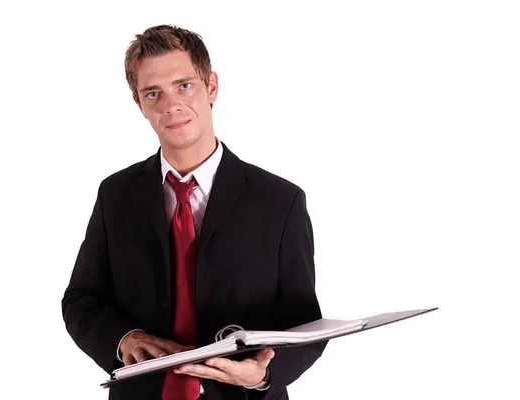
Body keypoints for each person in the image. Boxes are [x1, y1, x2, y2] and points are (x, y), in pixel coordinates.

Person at [61, 24, 326, 400]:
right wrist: (125, 340)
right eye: (154, 93)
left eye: (184, 85)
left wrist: (261, 374)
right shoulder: (115, 194)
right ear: (139, 104)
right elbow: (82, 299)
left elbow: (306, 325)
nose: (171, 105)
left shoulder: (279, 201)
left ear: (211, 87)